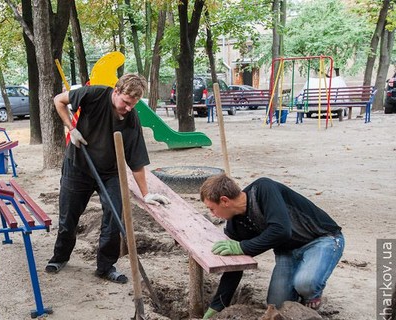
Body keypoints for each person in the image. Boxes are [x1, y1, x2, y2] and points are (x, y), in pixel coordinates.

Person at [45, 73, 170, 284]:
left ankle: (105, 266)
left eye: (134, 104)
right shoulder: (94, 94)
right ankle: (60, 257)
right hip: (78, 166)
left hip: (110, 172)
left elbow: (137, 161)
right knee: (68, 216)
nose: (129, 108)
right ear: (116, 92)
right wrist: (71, 128)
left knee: (113, 218)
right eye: (126, 102)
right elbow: (59, 100)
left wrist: (146, 194)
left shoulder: (131, 120)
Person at [199, 174, 344, 319]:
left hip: (322, 239)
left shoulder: (263, 189)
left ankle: (311, 297)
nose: (213, 214)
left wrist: (243, 247)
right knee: (276, 306)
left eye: (212, 209)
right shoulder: (234, 224)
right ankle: (298, 294)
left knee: (305, 283)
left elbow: (281, 230)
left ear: (224, 200)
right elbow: (235, 267)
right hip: (287, 252)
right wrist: (216, 307)